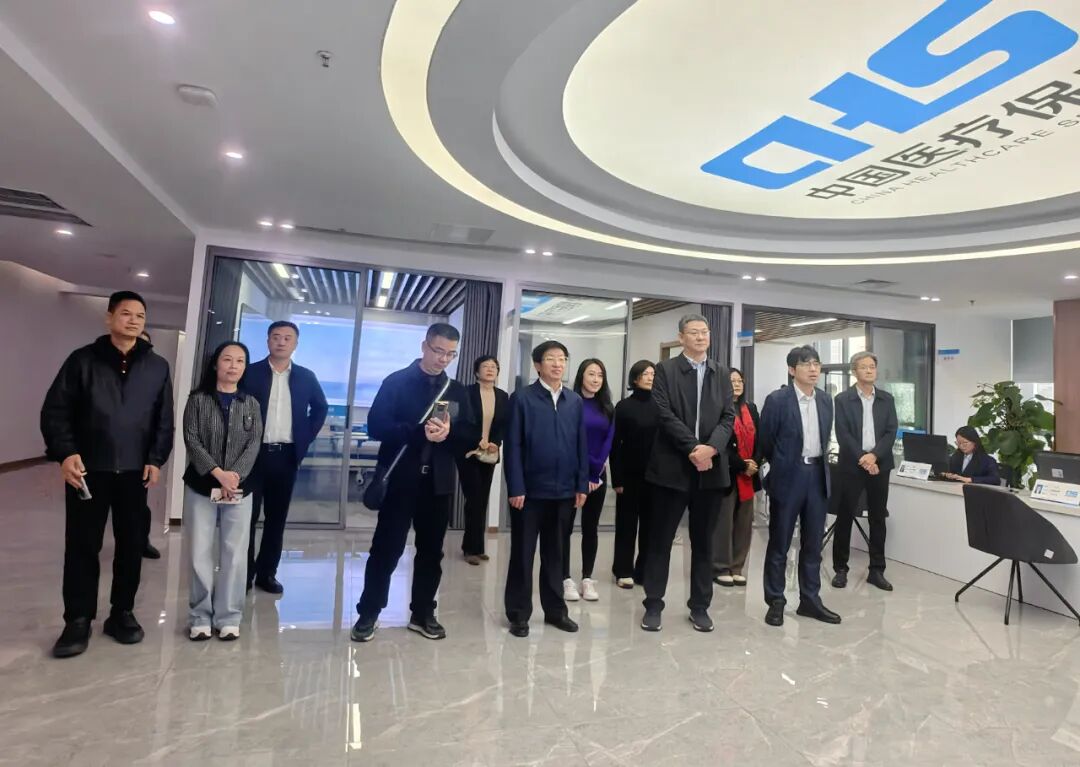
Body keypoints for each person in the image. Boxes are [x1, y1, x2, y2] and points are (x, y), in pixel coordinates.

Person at [41, 291, 174, 658]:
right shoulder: (82, 360)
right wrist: (66, 453)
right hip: (88, 470)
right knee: (83, 545)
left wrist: (156, 458)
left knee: (131, 545)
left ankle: (122, 613)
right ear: (109, 317)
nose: (134, 320)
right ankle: (77, 620)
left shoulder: (157, 366)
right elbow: (56, 410)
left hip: (134, 471)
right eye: (126, 313)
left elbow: (163, 419)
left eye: (140, 316)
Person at [351, 323, 473, 642]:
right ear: (424, 346)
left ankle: (422, 613)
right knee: (386, 549)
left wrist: (449, 434)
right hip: (400, 480)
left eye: (450, 354)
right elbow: (376, 426)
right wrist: (418, 432)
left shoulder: (457, 390)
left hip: (438, 483)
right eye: (438, 351)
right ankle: (369, 612)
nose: (443, 359)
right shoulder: (396, 382)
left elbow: (469, 434)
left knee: (431, 552)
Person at [641, 314, 735, 634]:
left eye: (704, 332)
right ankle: (654, 604)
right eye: (693, 332)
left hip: (710, 470)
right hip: (672, 468)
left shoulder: (721, 372)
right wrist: (694, 448)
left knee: (704, 542)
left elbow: (728, 417)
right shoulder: (665, 370)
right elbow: (663, 414)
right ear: (681, 337)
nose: (700, 337)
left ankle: (700, 606)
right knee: (660, 540)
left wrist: (711, 449)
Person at [503, 341, 588, 638]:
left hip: (564, 492)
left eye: (562, 359)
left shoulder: (574, 401)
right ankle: (518, 615)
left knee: (556, 556)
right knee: (523, 555)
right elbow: (513, 446)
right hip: (529, 493)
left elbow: (581, 445)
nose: (557, 364)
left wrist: (581, 484)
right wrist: (516, 486)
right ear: (538, 365)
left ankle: (555, 612)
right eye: (550, 359)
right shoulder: (522, 398)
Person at [182, 342, 263, 641]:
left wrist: (234, 477)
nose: (233, 366)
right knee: (199, 552)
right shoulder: (198, 400)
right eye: (227, 359)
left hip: (241, 488)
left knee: (235, 553)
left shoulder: (251, 403)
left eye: (240, 361)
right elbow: (191, 439)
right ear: (216, 363)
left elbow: (254, 443)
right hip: (202, 485)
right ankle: (200, 616)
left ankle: (229, 616)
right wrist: (218, 474)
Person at [240, 321, 328, 594]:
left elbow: (321, 408)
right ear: (267, 341)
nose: (281, 342)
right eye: (276, 337)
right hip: (251, 457)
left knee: (276, 519)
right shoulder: (249, 373)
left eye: (287, 338)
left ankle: (267, 574)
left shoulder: (306, 376)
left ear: (295, 344)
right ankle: (243, 575)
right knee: (246, 519)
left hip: (286, 456)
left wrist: (305, 437)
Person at [759, 345, 840, 628]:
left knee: (813, 543)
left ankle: (810, 600)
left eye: (816, 363)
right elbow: (766, 441)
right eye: (806, 364)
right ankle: (776, 601)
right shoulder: (777, 400)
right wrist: (779, 466)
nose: (813, 369)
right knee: (780, 542)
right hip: (788, 476)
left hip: (817, 475)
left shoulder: (826, 400)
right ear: (792, 370)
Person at [831, 351, 899, 592]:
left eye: (872, 366)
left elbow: (891, 431)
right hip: (852, 465)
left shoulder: (886, 399)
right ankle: (840, 568)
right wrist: (863, 457)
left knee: (877, 518)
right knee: (845, 515)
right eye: (864, 367)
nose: (869, 370)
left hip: (880, 465)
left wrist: (874, 456)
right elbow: (843, 433)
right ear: (854, 371)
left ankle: (877, 570)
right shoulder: (843, 399)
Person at [562, 358, 616, 603]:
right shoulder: (570, 402)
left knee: (590, 528)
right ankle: (565, 578)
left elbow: (608, 440)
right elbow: (569, 439)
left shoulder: (607, 407)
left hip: (598, 476)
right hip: (573, 473)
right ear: (581, 376)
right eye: (591, 374)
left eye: (600, 375)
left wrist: (595, 471)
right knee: (565, 528)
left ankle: (587, 577)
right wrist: (586, 472)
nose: (596, 379)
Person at [610, 360, 659, 589]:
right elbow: (615, 445)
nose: (650, 377)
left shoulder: (661, 406)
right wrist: (617, 478)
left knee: (651, 527)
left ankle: (644, 570)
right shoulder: (623, 407)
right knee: (626, 525)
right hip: (629, 476)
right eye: (645, 374)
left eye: (653, 374)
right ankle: (623, 570)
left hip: (655, 476)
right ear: (635, 378)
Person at [712, 367, 762, 588]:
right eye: (732, 381)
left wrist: (755, 462)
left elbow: (761, 439)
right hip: (728, 473)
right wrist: (742, 465)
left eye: (740, 380)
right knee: (724, 523)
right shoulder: (717, 408)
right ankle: (721, 567)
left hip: (749, 475)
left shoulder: (750, 408)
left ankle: (737, 567)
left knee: (744, 524)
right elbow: (720, 444)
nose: (737, 384)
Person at [457, 355, 509, 565]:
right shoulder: (466, 393)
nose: (490, 369)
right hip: (469, 452)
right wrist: (476, 440)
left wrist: (496, 442)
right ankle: (469, 548)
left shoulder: (502, 395)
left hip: (489, 454)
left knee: (482, 499)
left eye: (494, 367)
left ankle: (477, 547)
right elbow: (460, 422)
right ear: (476, 371)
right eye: (485, 366)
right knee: (474, 499)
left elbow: (503, 424)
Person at [138, 330, 162, 561]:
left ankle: (141, 542)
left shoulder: (156, 376)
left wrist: (155, 457)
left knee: (138, 504)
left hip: (140, 453)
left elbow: (162, 419)